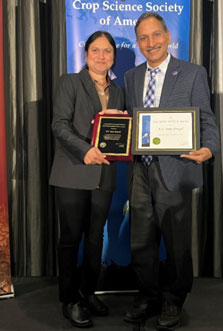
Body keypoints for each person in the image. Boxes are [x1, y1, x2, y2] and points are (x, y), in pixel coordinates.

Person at [123, 13, 220, 330]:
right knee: (141, 241)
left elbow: (206, 116)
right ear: (138, 42)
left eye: (155, 35)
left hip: (175, 168)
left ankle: (174, 300)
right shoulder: (131, 77)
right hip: (140, 170)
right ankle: (148, 296)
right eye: (143, 38)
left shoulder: (192, 73)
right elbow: (130, 124)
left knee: (177, 244)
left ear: (167, 36)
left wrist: (209, 148)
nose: (150, 43)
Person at [49, 31, 124, 328]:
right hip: (72, 172)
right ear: (86, 54)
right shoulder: (70, 82)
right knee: (70, 240)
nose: (101, 56)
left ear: (113, 56)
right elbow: (59, 124)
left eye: (107, 51)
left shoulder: (118, 91)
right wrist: (85, 151)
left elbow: (119, 131)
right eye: (95, 50)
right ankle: (69, 300)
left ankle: (88, 292)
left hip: (104, 175)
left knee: (95, 238)